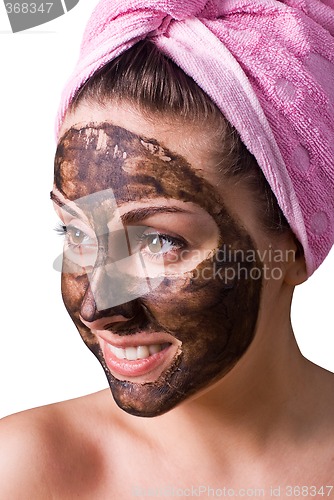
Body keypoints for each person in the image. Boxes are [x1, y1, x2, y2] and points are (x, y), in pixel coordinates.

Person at [1, 0, 333, 498]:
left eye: (158, 241)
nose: (98, 306)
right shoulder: (25, 473)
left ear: (294, 244)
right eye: (76, 234)